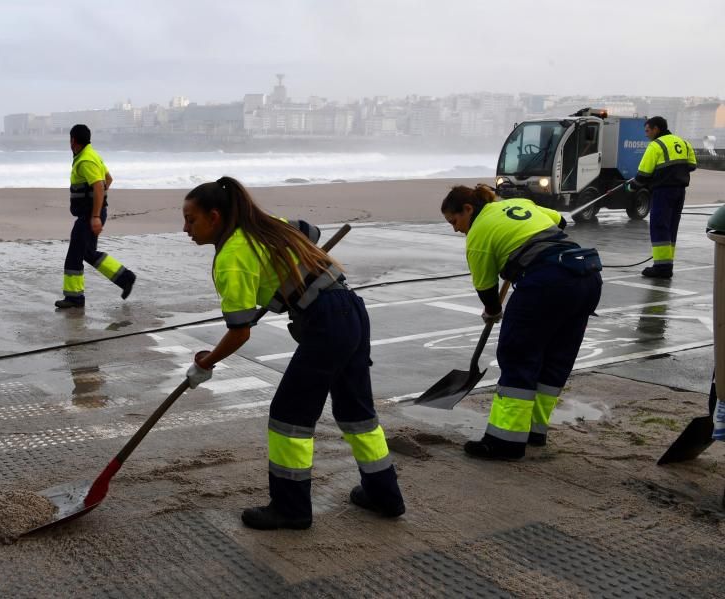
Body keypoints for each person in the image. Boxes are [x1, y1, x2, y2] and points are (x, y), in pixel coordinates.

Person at [182, 176, 405, 530]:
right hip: (350, 310)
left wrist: (206, 363)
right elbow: (311, 232)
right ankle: (385, 494)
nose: (185, 228)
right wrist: (282, 276)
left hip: (324, 322)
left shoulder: (232, 257)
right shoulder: (268, 225)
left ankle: (291, 508)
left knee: (290, 415)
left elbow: (239, 331)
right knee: (356, 413)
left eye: (191, 220)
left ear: (215, 216)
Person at [441, 184, 602, 460]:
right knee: (555, 359)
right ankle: (534, 431)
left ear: (468, 209)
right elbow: (560, 220)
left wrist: (492, 310)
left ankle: (504, 442)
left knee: (518, 355)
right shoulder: (519, 205)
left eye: (455, 221)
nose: (456, 229)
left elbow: (486, 288)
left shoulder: (478, 234)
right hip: (586, 278)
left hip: (546, 282)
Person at [54, 124, 136, 309]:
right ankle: (125, 277)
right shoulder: (92, 155)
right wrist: (99, 205)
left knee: (75, 254)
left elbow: (100, 185)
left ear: (73, 140)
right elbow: (109, 179)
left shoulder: (86, 160)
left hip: (89, 216)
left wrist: (96, 214)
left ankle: (74, 298)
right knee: (88, 253)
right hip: (91, 214)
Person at [634, 116, 697, 279]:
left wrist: (632, 186)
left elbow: (643, 174)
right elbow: (692, 165)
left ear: (656, 129)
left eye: (648, 130)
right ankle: (667, 264)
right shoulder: (683, 142)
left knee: (659, 226)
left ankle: (661, 268)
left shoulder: (656, 146)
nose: (646, 134)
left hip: (663, 192)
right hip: (680, 191)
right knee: (670, 227)